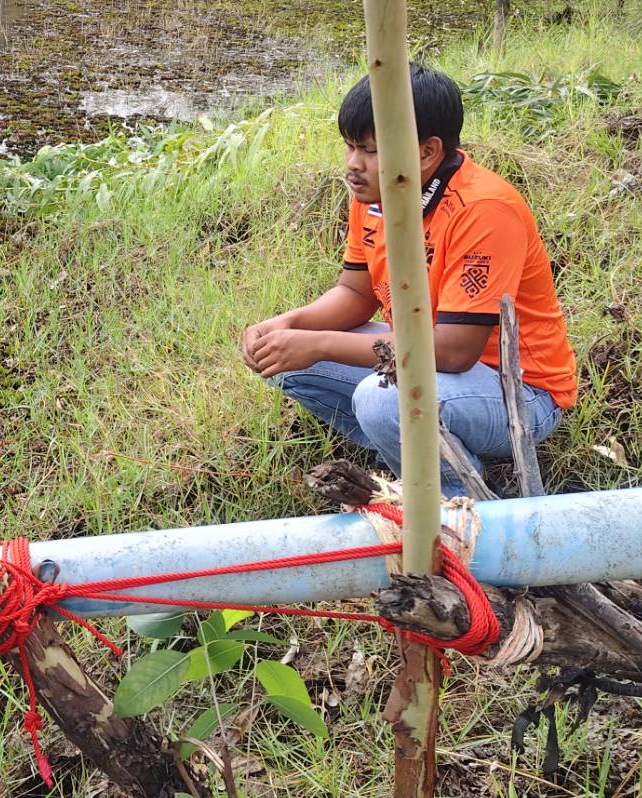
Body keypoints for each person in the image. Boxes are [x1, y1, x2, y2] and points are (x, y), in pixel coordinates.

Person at [243, 64, 577, 487]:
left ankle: (453, 500)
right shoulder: (376, 196)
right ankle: (413, 449)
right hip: (430, 364)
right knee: (282, 360)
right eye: (349, 147)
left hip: (518, 393)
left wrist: (319, 343)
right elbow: (356, 294)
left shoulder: (484, 211)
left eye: (370, 150)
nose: (353, 164)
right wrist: (289, 325)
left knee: (382, 401)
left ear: (427, 151)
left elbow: (454, 352)